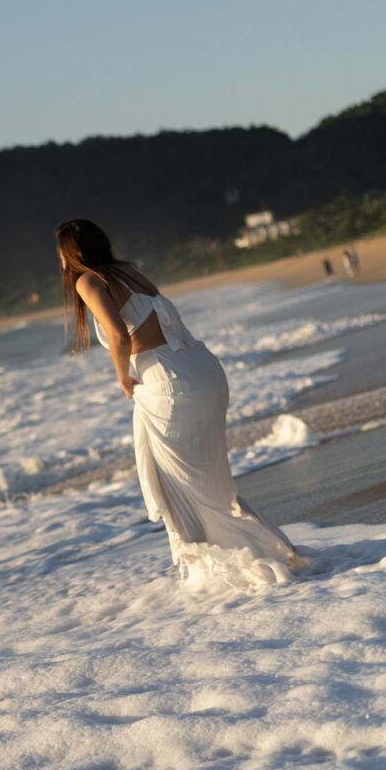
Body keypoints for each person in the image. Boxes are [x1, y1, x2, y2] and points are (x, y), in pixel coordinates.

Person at [56, 219, 304, 586]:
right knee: (209, 485)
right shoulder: (128, 271)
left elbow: (118, 336)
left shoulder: (88, 280)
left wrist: (122, 376)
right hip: (201, 368)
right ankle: (263, 557)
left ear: (71, 253)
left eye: (60, 253)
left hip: (169, 379)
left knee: (180, 483)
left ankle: (237, 571)